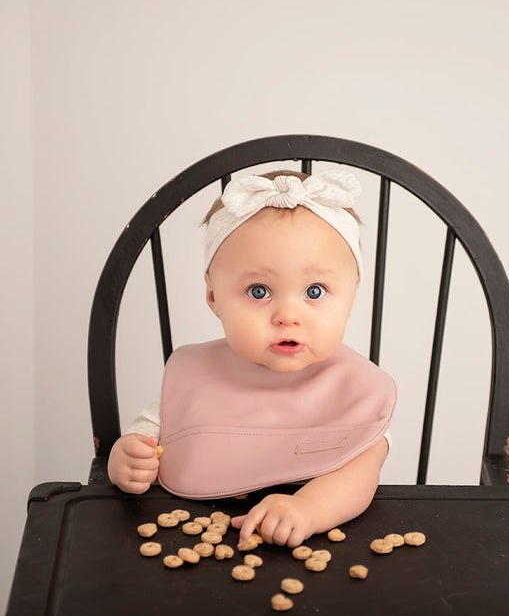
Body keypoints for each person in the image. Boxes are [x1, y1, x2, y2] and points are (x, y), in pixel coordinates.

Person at [106, 169, 396, 548]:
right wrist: (128, 455)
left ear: (351, 296)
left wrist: (308, 509)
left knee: (368, 448)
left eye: (315, 290)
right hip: (198, 534)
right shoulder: (198, 375)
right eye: (259, 291)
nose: (288, 315)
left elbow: (363, 470)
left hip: (322, 542)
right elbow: (158, 428)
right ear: (214, 297)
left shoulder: (356, 390)